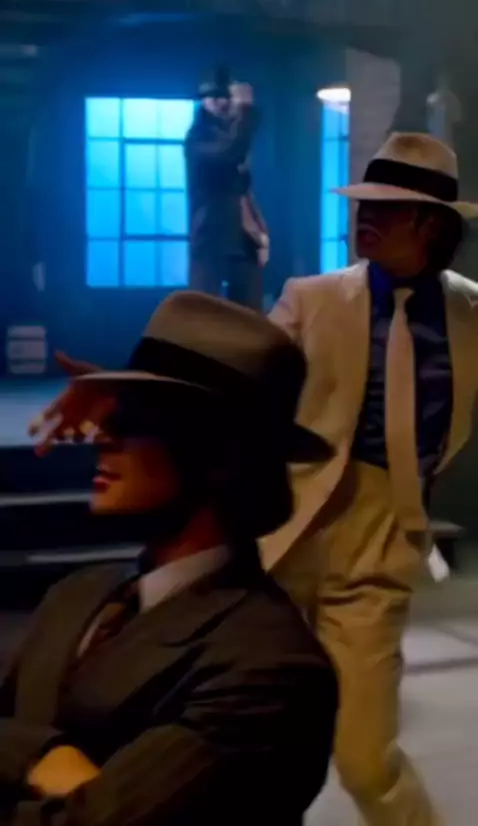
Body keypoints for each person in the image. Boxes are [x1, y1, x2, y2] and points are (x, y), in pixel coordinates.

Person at [5, 293, 338, 826]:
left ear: (218, 455)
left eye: (134, 419)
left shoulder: (271, 666)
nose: (103, 436)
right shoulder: (79, 594)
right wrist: (43, 755)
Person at [261, 133, 478, 826]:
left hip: (382, 539)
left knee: (364, 757)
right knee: (252, 742)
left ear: (430, 225)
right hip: (283, 527)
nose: (366, 217)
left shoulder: (471, 314)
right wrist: (133, 399)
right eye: (364, 202)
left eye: (387, 207)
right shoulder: (311, 298)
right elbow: (238, 376)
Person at [185, 66, 269, 310]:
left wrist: (260, 230)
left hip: (243, 239)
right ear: (204, 100)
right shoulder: (198, 139)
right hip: (211, 237)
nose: (222, 102)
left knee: (249, 317)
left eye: (226, 96)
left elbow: (243, 190)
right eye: (215, 96)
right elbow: (230, 152)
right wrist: (245, 112)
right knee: (203, 313)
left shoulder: (233, 131)